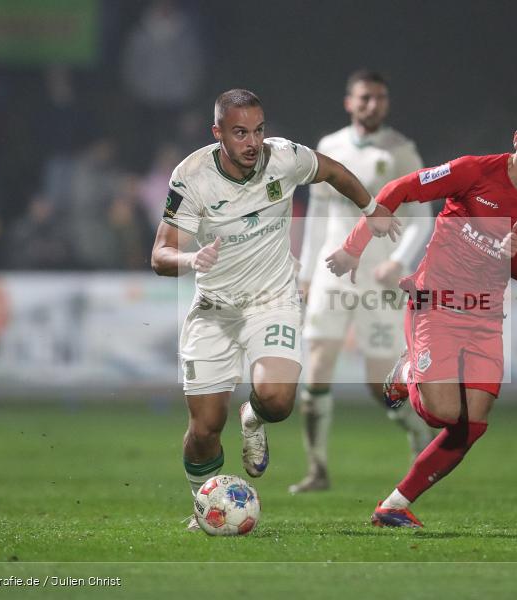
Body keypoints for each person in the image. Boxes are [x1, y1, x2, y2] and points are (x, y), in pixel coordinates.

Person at [150, 89, 398, 530]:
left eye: (259, 130)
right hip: (214, 308)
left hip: (272, 301)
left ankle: (254, 415)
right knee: (205, 428)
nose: (252, 142)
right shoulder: (192, 176)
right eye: (240, 132)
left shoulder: (284, 158)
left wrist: (370, 206)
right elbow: (160, 255)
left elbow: (334, 171)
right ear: (218, 133)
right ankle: (204, 503)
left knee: (278, 400)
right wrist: (191, 259)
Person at [326, 103, 517, 527]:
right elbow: (400, 188)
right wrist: (355, 245)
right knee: (441, 412)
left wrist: (512, 257)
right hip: (434, 302)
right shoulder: (473, 172)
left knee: (471, 424)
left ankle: (394, 506)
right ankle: (405, 375)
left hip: (484, 316)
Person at [290, 70, 435, 494]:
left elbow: (420, 217)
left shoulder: (401, 151)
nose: (373, 105)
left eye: (380, 98)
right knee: (317, 360)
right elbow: (318, 216)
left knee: (380, 382)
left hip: (378, 278)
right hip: (333, 271)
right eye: (365, 98)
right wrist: (306, 274)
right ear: (349, 102)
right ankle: (317, 469)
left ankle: (418, 434)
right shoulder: (329, 148)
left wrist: (400, 262)